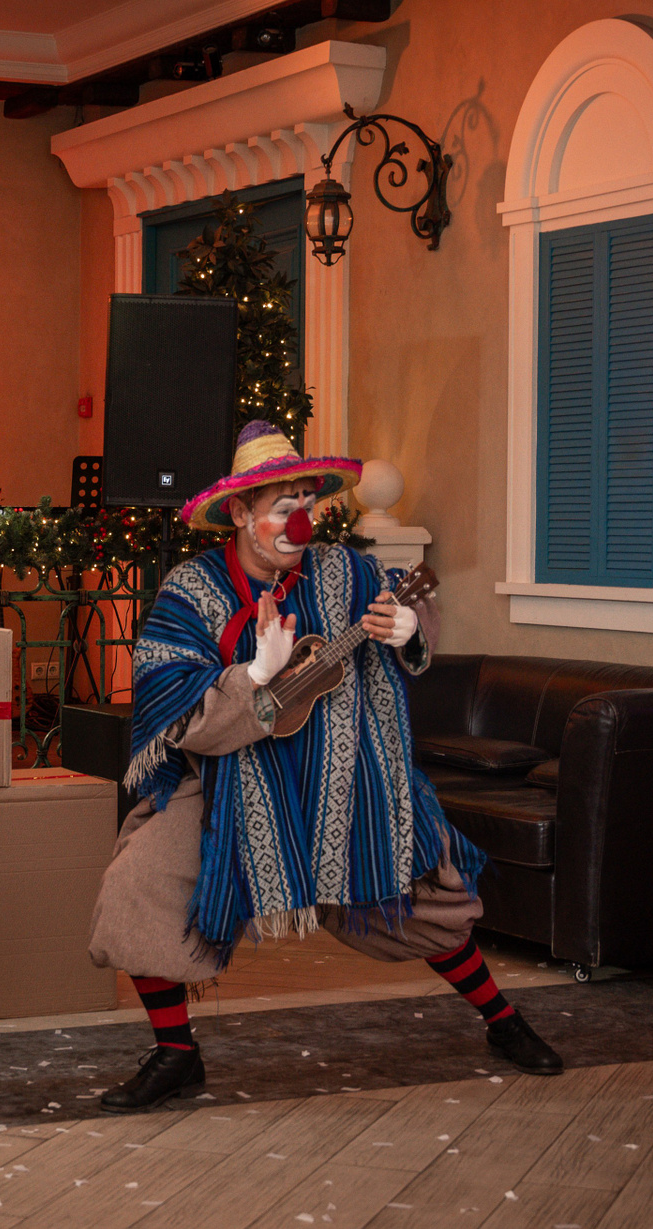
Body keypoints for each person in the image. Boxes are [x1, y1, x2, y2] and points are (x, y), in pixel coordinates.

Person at [86, 422, 563, 1112]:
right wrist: (254, 675)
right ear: (240, 511)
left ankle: (502, 1019)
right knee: (138, 887)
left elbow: (413, 608)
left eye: (308, 502)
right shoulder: (190, 591)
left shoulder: (349, 572)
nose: (300, 521)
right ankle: (177, 1053)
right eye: (283, 506)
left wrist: (410, 631)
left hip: (345, 772)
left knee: (431, 898)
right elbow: (173, 710)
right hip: (227, 783)